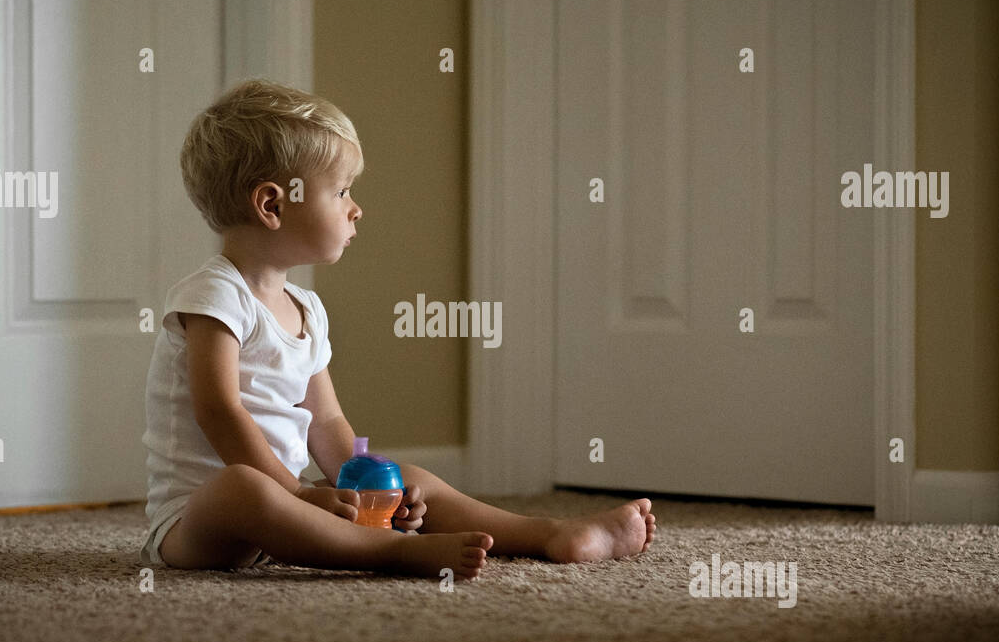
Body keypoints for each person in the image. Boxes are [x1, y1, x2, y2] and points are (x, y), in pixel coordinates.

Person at [140, 78, 655, 579]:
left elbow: (326, 421)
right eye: (341, 191)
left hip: (289, 509)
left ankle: (546, 534)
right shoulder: (213, 295)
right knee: (242, 487)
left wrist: (364, 491)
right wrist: (297, 495)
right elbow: (219, 409)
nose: (355, 208)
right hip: (201, 522)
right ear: (272, 205)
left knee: (406, 478)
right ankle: (391, 553)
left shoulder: (307, 308)